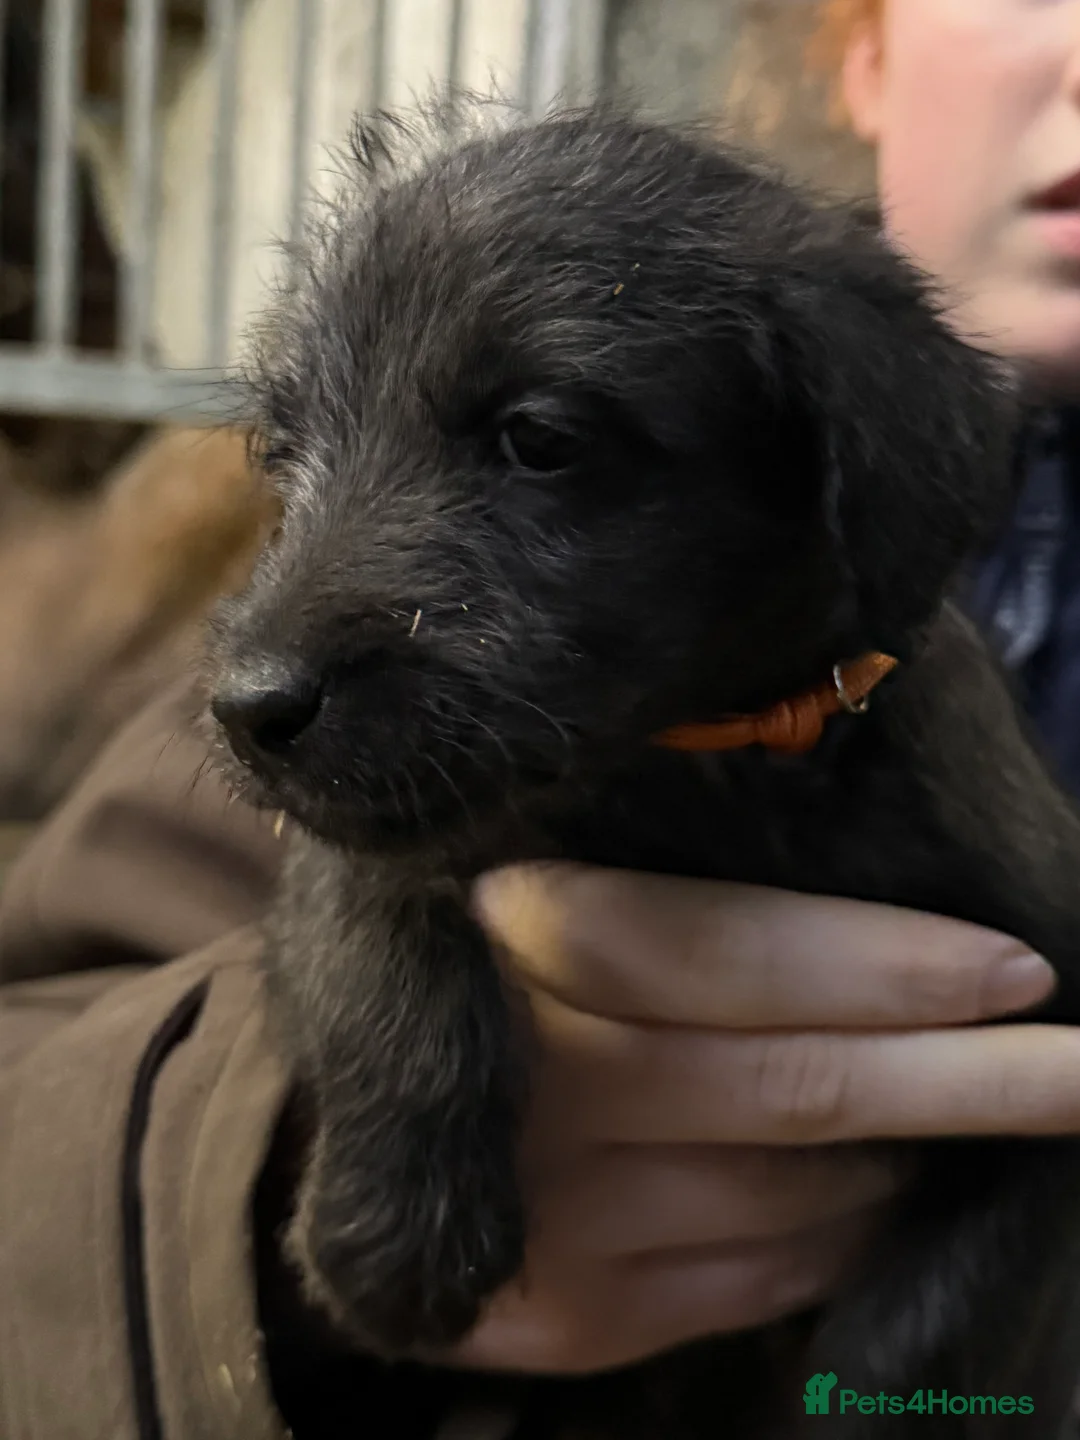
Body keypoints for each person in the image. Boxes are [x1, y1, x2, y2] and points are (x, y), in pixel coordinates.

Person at [5, 2, 1080, 1435]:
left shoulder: (828, 409)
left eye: (539, 442)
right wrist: (240, 1171)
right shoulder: (331, 727)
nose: (266, 652)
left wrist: (904, 1401)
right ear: (864, 49)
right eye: (298, 454)